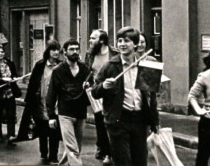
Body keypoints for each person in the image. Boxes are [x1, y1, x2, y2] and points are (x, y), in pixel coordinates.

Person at [92, 26, 160, 166]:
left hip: (140, 119)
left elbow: (151, 97)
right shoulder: (110, 66)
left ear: (135, 44)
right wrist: (103, 86)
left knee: (140, 161)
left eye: (126, 41)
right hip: (118, 119)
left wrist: (155, 121)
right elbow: (94, 92)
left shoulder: (147, 64)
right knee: (122, 161)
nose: (122, 44)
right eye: (120, 40)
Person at [46, 38, 90, 166]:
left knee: (76, 147)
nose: (75, 52)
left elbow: (91, 92)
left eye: (77, 49)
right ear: (64, 52)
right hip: (65, 113)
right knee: (72, 148)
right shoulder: (58, 71)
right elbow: (51, 94)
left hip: (81, 113)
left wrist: (88, 87)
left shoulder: (84, 69)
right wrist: (51, 116)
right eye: (71, 49)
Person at [20, 40, 62, 164]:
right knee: (43, 129)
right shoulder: (40, 65)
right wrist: (30, 101)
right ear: (48, 51)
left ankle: (53, 156)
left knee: (54, 128)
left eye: (57, 50)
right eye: (53, 49)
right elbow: (33, 83)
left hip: (55, 102)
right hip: (40, 101)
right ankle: (44, 151)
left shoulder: (61, 65)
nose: (55, 52)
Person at [84, 29, 118, 165]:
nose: (90, 41)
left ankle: (112, 151)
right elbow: (88, 71)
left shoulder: (114, 53)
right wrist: (87, 81)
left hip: (112, 93)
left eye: (93, 38)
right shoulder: (90, 54)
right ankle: (105, 151)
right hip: (97, 92)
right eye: (90, 38)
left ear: (102, 40)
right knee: (100, 123)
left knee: (112, 123)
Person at [0, 44, 21, 145]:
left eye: (2, 52)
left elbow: (15, 74)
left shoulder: (10, 63)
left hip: (9, 92)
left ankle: (11, 134)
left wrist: (15, 78)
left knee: (11, 113)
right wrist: (2, 79)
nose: (1, 54)